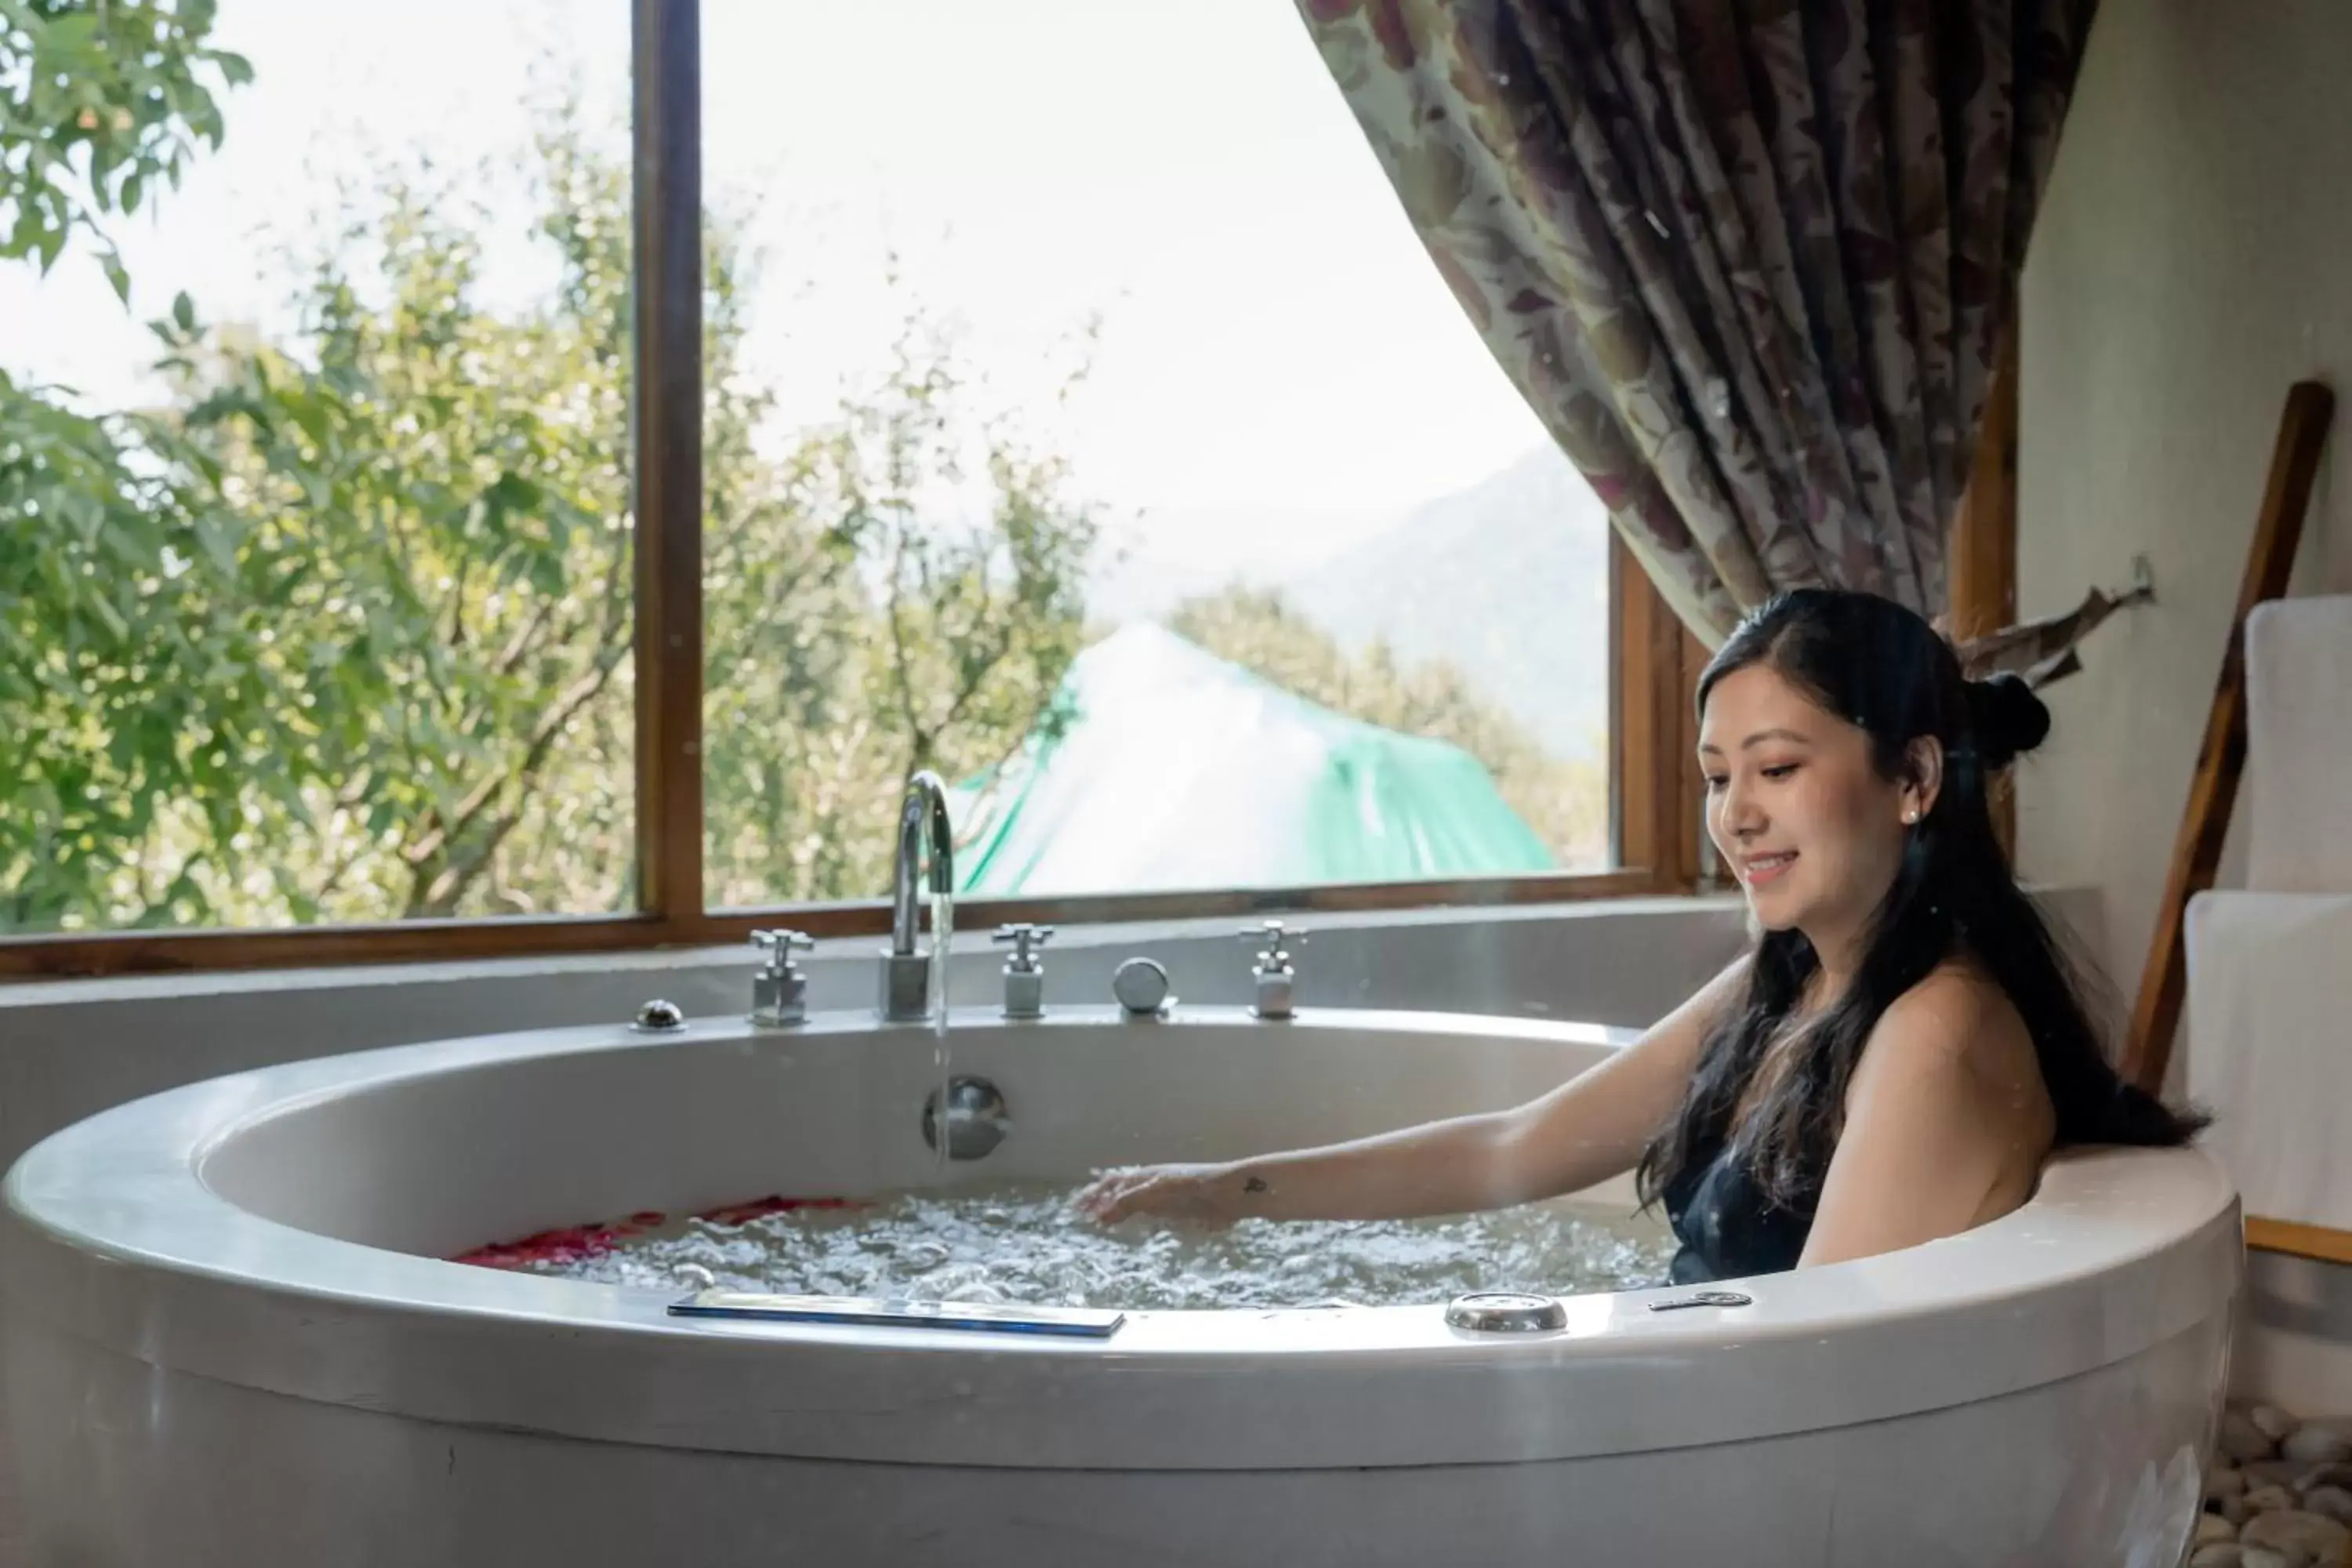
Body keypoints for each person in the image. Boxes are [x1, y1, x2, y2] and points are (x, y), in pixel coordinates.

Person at [1074, 588, 2202, 1283]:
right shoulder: (1797, 980)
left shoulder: (1934, 1033)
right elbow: (1514, 1148)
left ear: (1911, 777)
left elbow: (1822, 1373)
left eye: (1778, 769)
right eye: (1718, 778)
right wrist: (1226, 1189)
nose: (1735, 816)